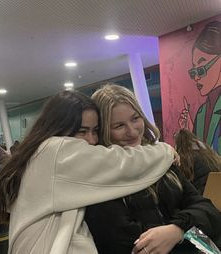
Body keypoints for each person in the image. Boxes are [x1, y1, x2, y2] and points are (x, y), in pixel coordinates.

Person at [0, 90, 178, 254]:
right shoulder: (56, 150)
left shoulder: (38, 153)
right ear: (58, 127)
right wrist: (165, 150)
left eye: (95, 131)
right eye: (82, 131)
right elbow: (125, 164)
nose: (92, 139)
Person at [85, 84, 221, 254]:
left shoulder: (162, 161)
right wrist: (186, 229)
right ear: (104, 130)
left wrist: (176, 230)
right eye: (119, 126)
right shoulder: (100, 179)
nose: (132, 131)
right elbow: (129, 245)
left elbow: (209, 211)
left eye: (135, 118)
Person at [179, 20, 221, 154]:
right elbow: (203, 156)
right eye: (193, 72)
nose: (196, 77)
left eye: (201, 69)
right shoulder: (201, 112)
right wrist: (188, 133)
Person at [174, 128, 221, 194]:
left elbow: (184, 185)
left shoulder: (185, 159)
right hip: (217, 195)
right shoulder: (210, 154)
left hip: (202, 197)